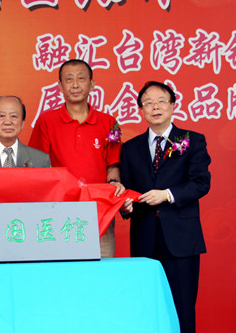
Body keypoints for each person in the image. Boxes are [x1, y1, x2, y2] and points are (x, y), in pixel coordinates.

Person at [120, 81, 211, 333]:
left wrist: (167, 195)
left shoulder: (192, 140)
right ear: (141, 110)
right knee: (148, 306)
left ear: (172, 105)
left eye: (161, 101)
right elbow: (129, 191)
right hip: (144, 239)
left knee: (182, 307)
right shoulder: (130, 148)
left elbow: (201, 183)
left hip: (181, 239)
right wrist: (125, 207)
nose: (155, 107)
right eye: (148, 103)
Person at [28, 59, 125, 257]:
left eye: (81, 79)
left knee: (102, 267)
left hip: (99, 212)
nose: (75, 85)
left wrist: (114, 184)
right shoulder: (46, 121)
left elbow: (113, 165)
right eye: (69, 79)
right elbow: (36, 168)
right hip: (58, 212)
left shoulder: (108, 122)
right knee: (62, 268)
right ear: (60, 86)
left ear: (92, 84)